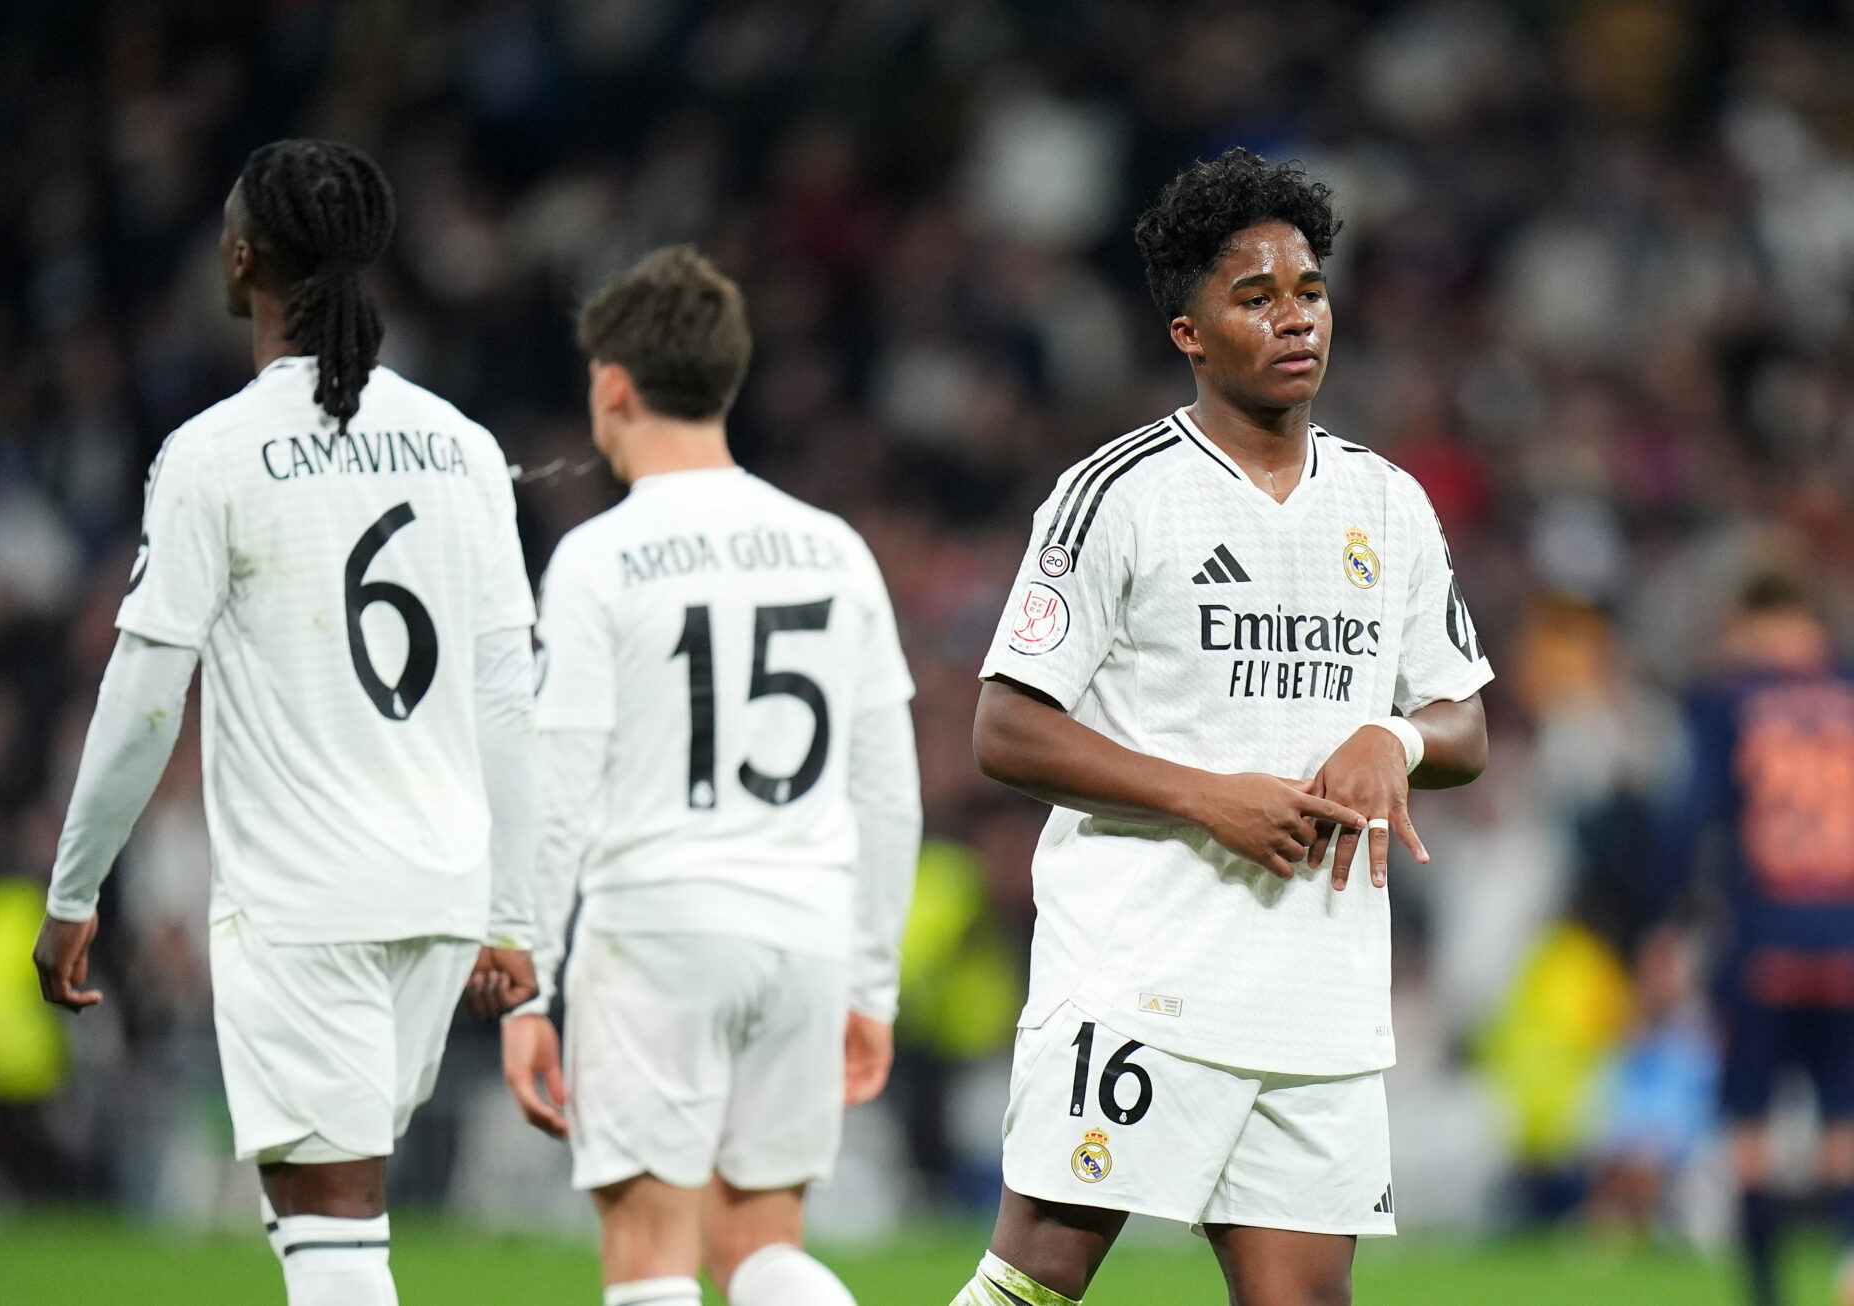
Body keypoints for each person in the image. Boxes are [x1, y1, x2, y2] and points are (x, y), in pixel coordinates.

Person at [951, 148, 1492, 1306]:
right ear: (1189, 331)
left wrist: (1391, 740)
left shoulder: (1386, 502)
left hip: (1318, 992)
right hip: (1145, 968)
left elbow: (1466, 720)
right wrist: (1209, 793)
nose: (1296, 319)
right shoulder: (1118, 494)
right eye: (1255, 298)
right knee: (1035, 1281)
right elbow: (1005, 727)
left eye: (1310, 290)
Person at [31, 139, 541, 1306]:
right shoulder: (465, 448)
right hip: (441, 894)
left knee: (333, 1222)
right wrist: (511, 908)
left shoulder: (212, 455)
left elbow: (146, 692)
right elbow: (512, 697)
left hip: (308, 899)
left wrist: (73, 891)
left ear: (245, 256)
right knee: (317, 1213)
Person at [500, 245, 922, 1306]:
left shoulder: (599, 556)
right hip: (807, 931)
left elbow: (560, 785)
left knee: (651, 1259)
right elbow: (889, 790)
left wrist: (528, 982)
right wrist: (870, 978)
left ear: (611, 383)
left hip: (661, 928)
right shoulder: (834, 548)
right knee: (761, 1251)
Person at [1653, 573, 1854, 1306]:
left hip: (1765, 936)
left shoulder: (1731, 699)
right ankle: (1847, 1268)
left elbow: (1688, 818)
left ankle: (1767, 1294)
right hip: (1847, 935)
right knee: (1843, 1123)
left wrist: (1665, 922)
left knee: (1752, 1130)